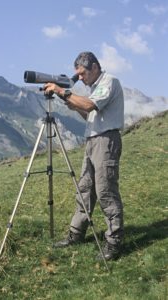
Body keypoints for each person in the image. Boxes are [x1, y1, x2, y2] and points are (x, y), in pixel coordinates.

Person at [44, 51, 124, 260]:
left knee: (106, 191)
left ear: (95, 67)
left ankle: (114, 242)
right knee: (85, 189)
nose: (79, 78)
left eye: (82, 73)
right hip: (92, 141)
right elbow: (89, 114)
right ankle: (76, 233)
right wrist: (73, 105)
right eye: (77, 74)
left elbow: (90, 105)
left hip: (106, 141)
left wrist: (63, 92)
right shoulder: (95, 87)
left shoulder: (109, 81)